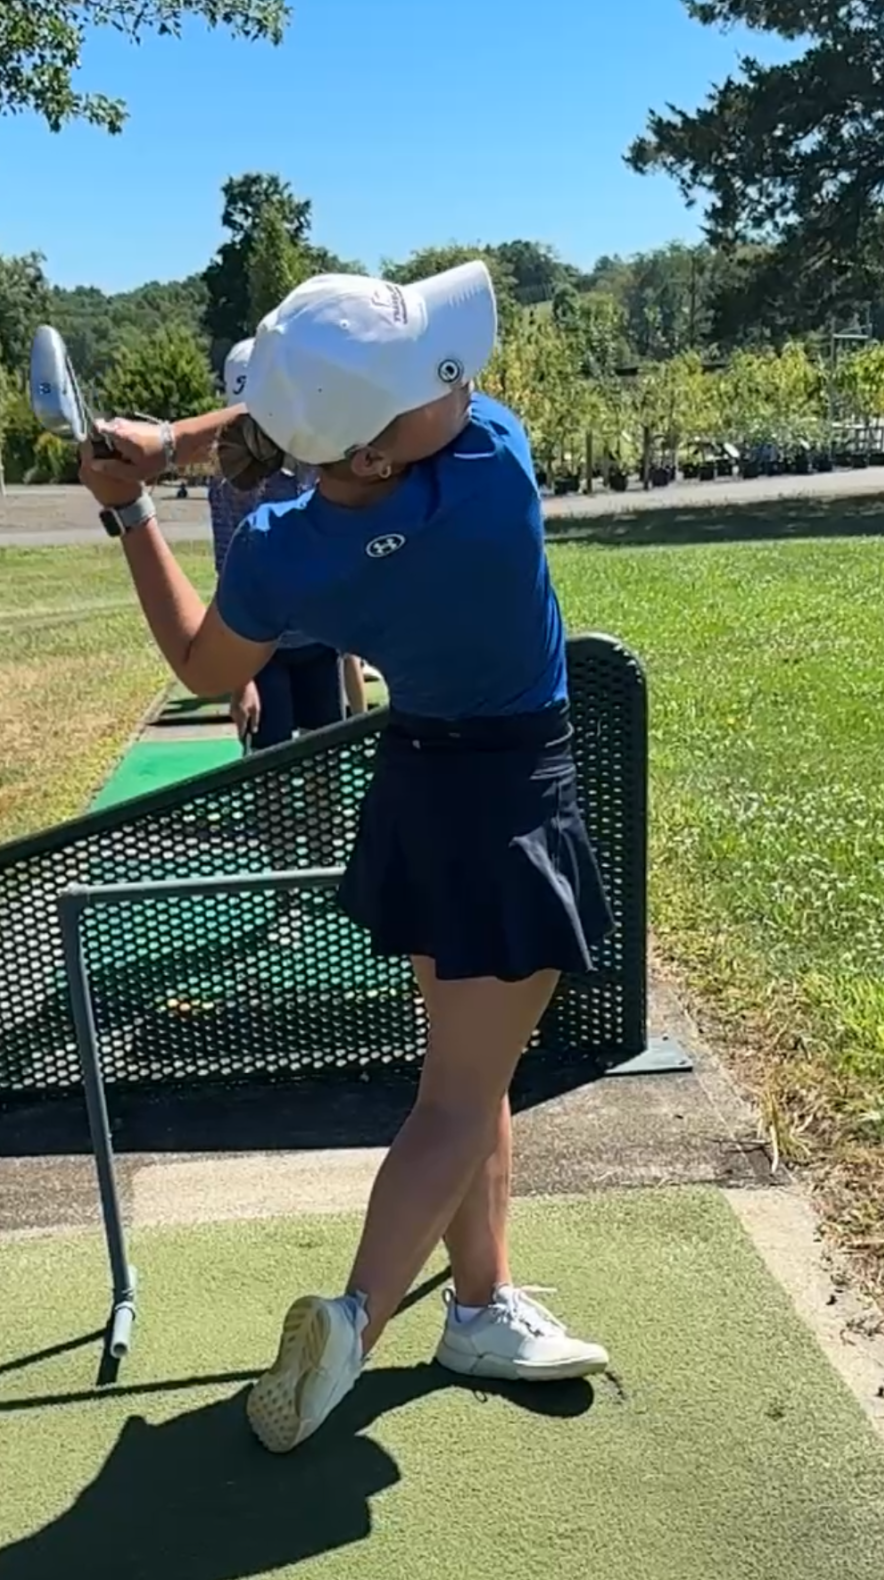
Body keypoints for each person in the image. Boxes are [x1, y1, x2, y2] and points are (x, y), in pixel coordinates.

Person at [81, 260, 611, 1454]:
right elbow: (306, 423)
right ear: (372, 447)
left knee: (470, 1073)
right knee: (457, 1097)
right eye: (431, 375)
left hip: (419, 792)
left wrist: (137, 495)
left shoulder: (284, 551)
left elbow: (203, 663)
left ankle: (478, 1305)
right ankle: (355, 1316)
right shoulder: (489, 466)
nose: (459, 380)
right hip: (510, 801)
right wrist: (183, 443)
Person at [209, 337, 360, 748]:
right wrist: (240, 681)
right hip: (261, 650)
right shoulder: (226, 482)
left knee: (324, 762)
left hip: (320, 641)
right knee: (269, 765)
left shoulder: (316, 457)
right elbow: (228, 578)